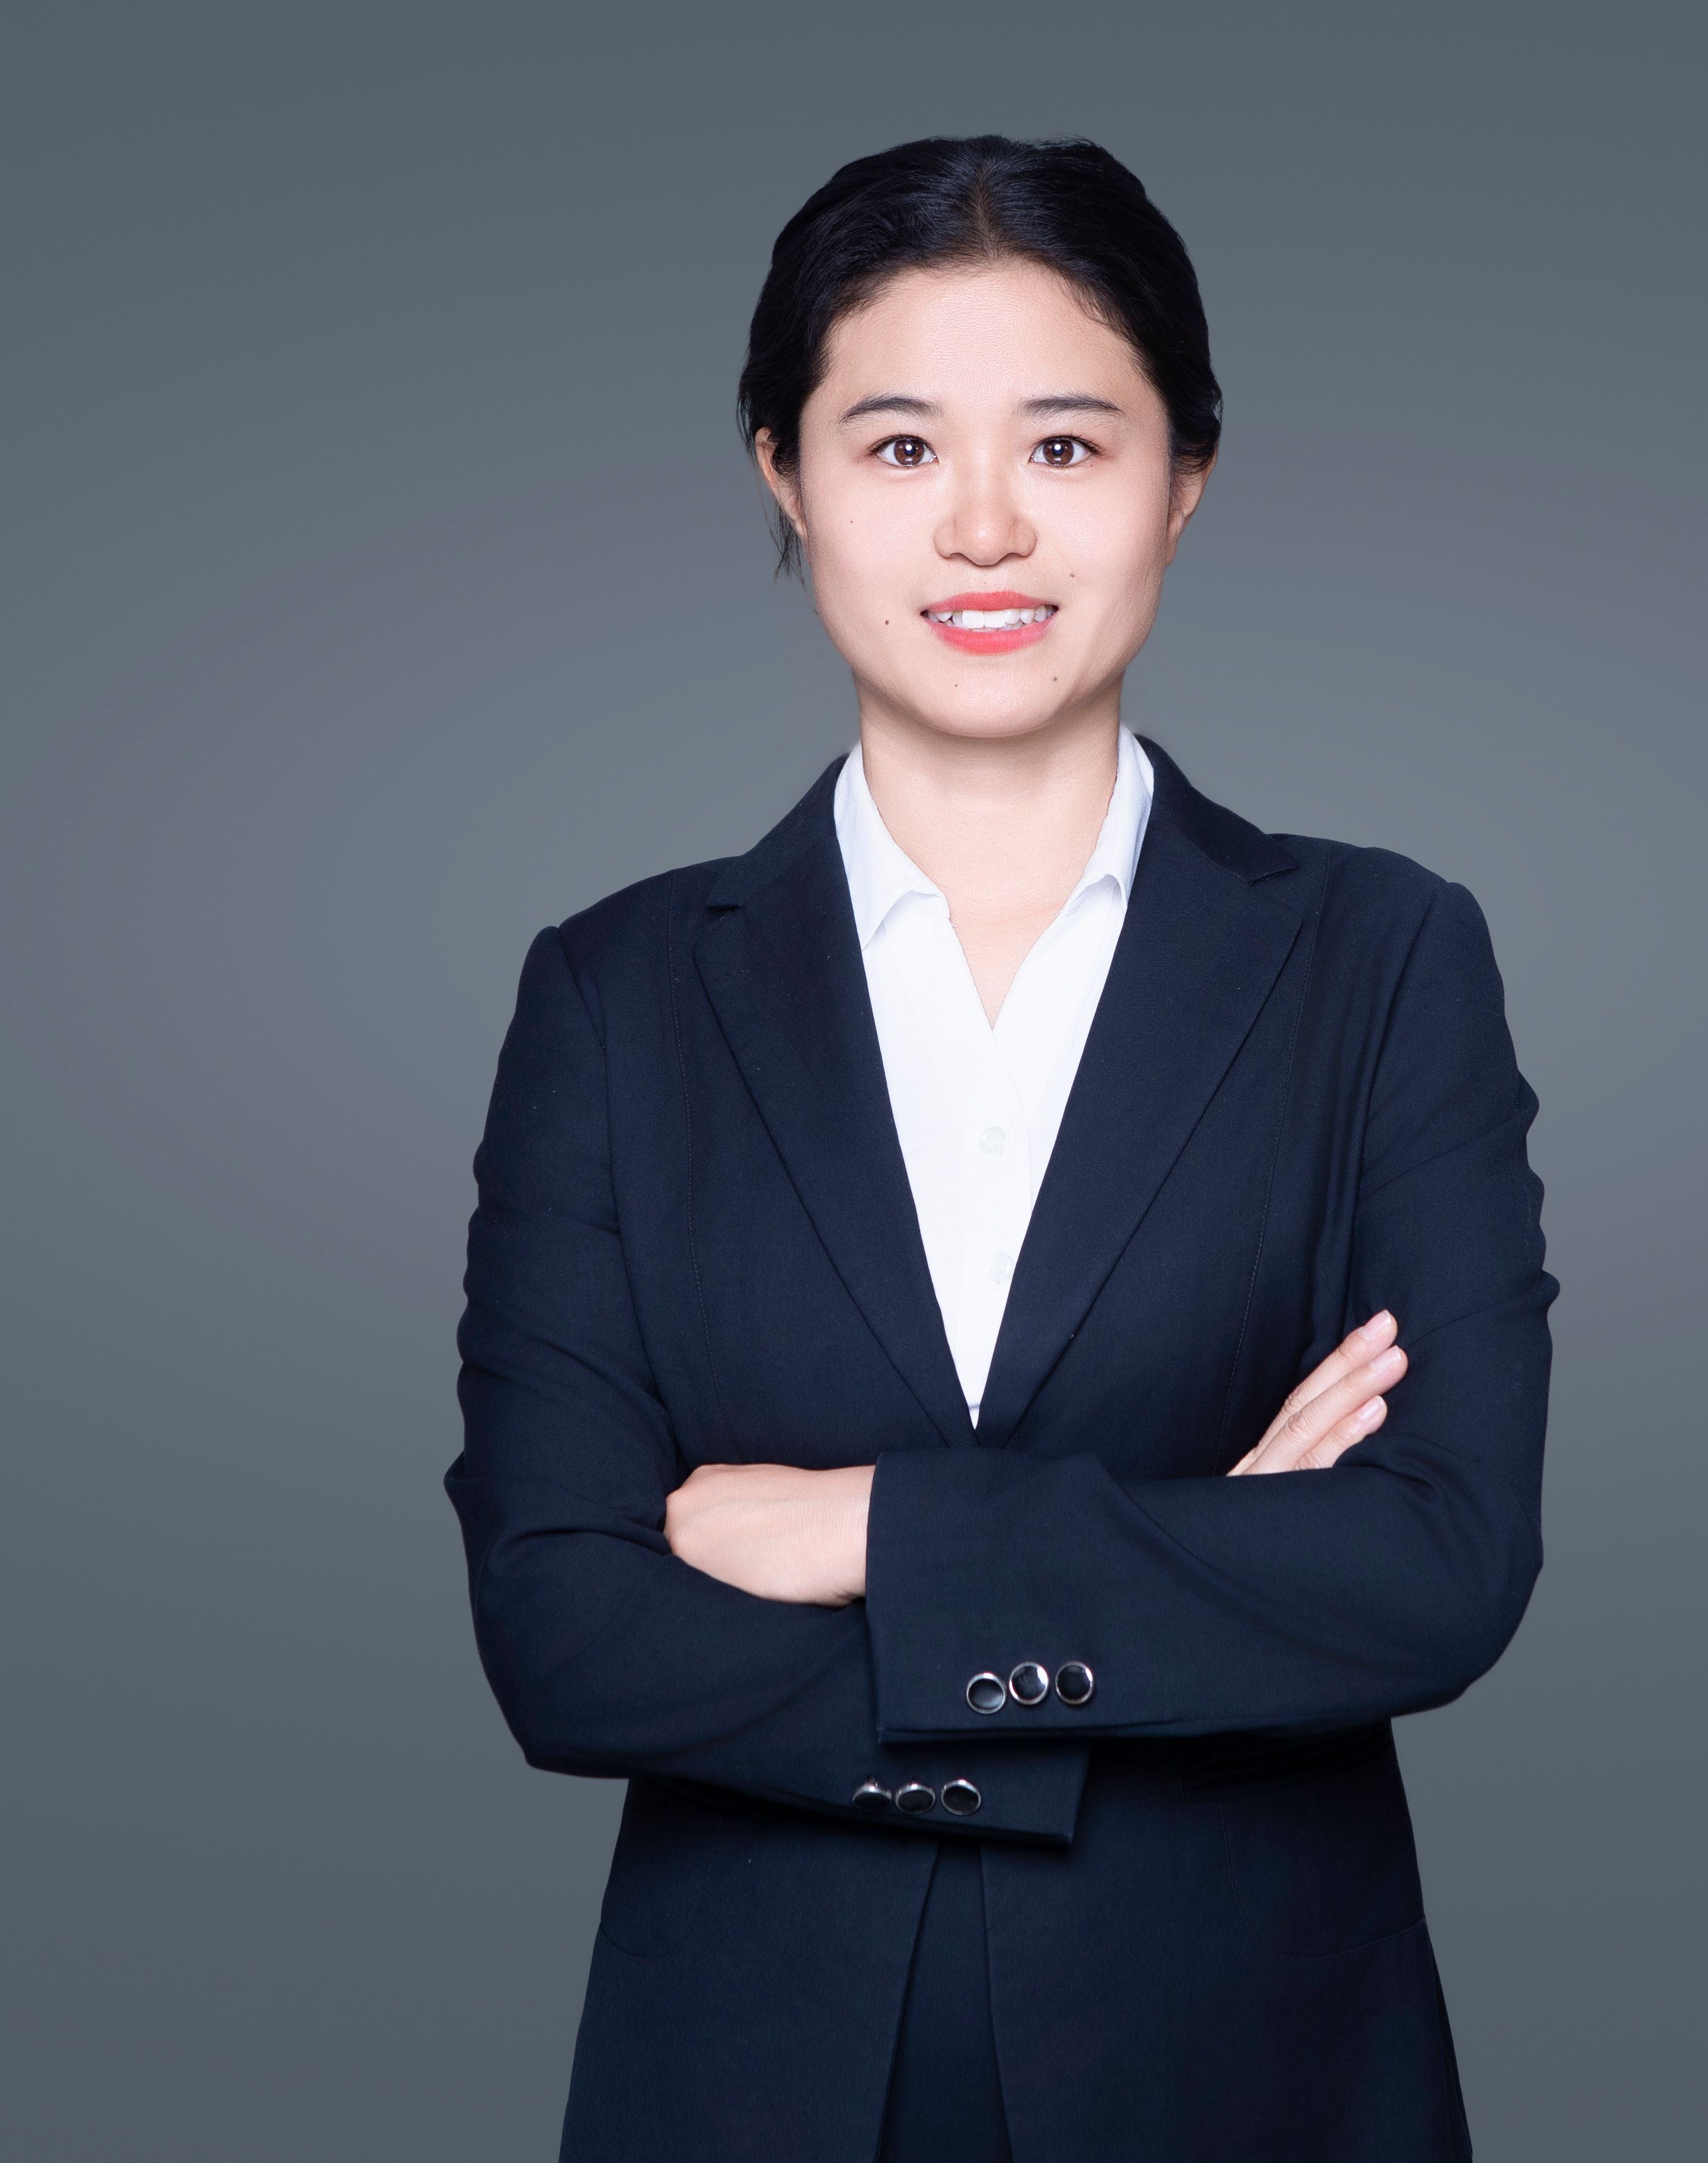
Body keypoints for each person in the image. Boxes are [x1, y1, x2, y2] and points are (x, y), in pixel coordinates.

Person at [447, 134, 1556, 2161]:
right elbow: (565, 1632)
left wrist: (870, 1534)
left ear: (1183, 477)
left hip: (1254, 2080)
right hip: (750, 2091)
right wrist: (1188, 1572)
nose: (983, 528)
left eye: (1064, 446)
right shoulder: (614, 996)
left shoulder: (1381, 957)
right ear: (785, 473)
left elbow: (1437, 1566)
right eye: (897, 447)